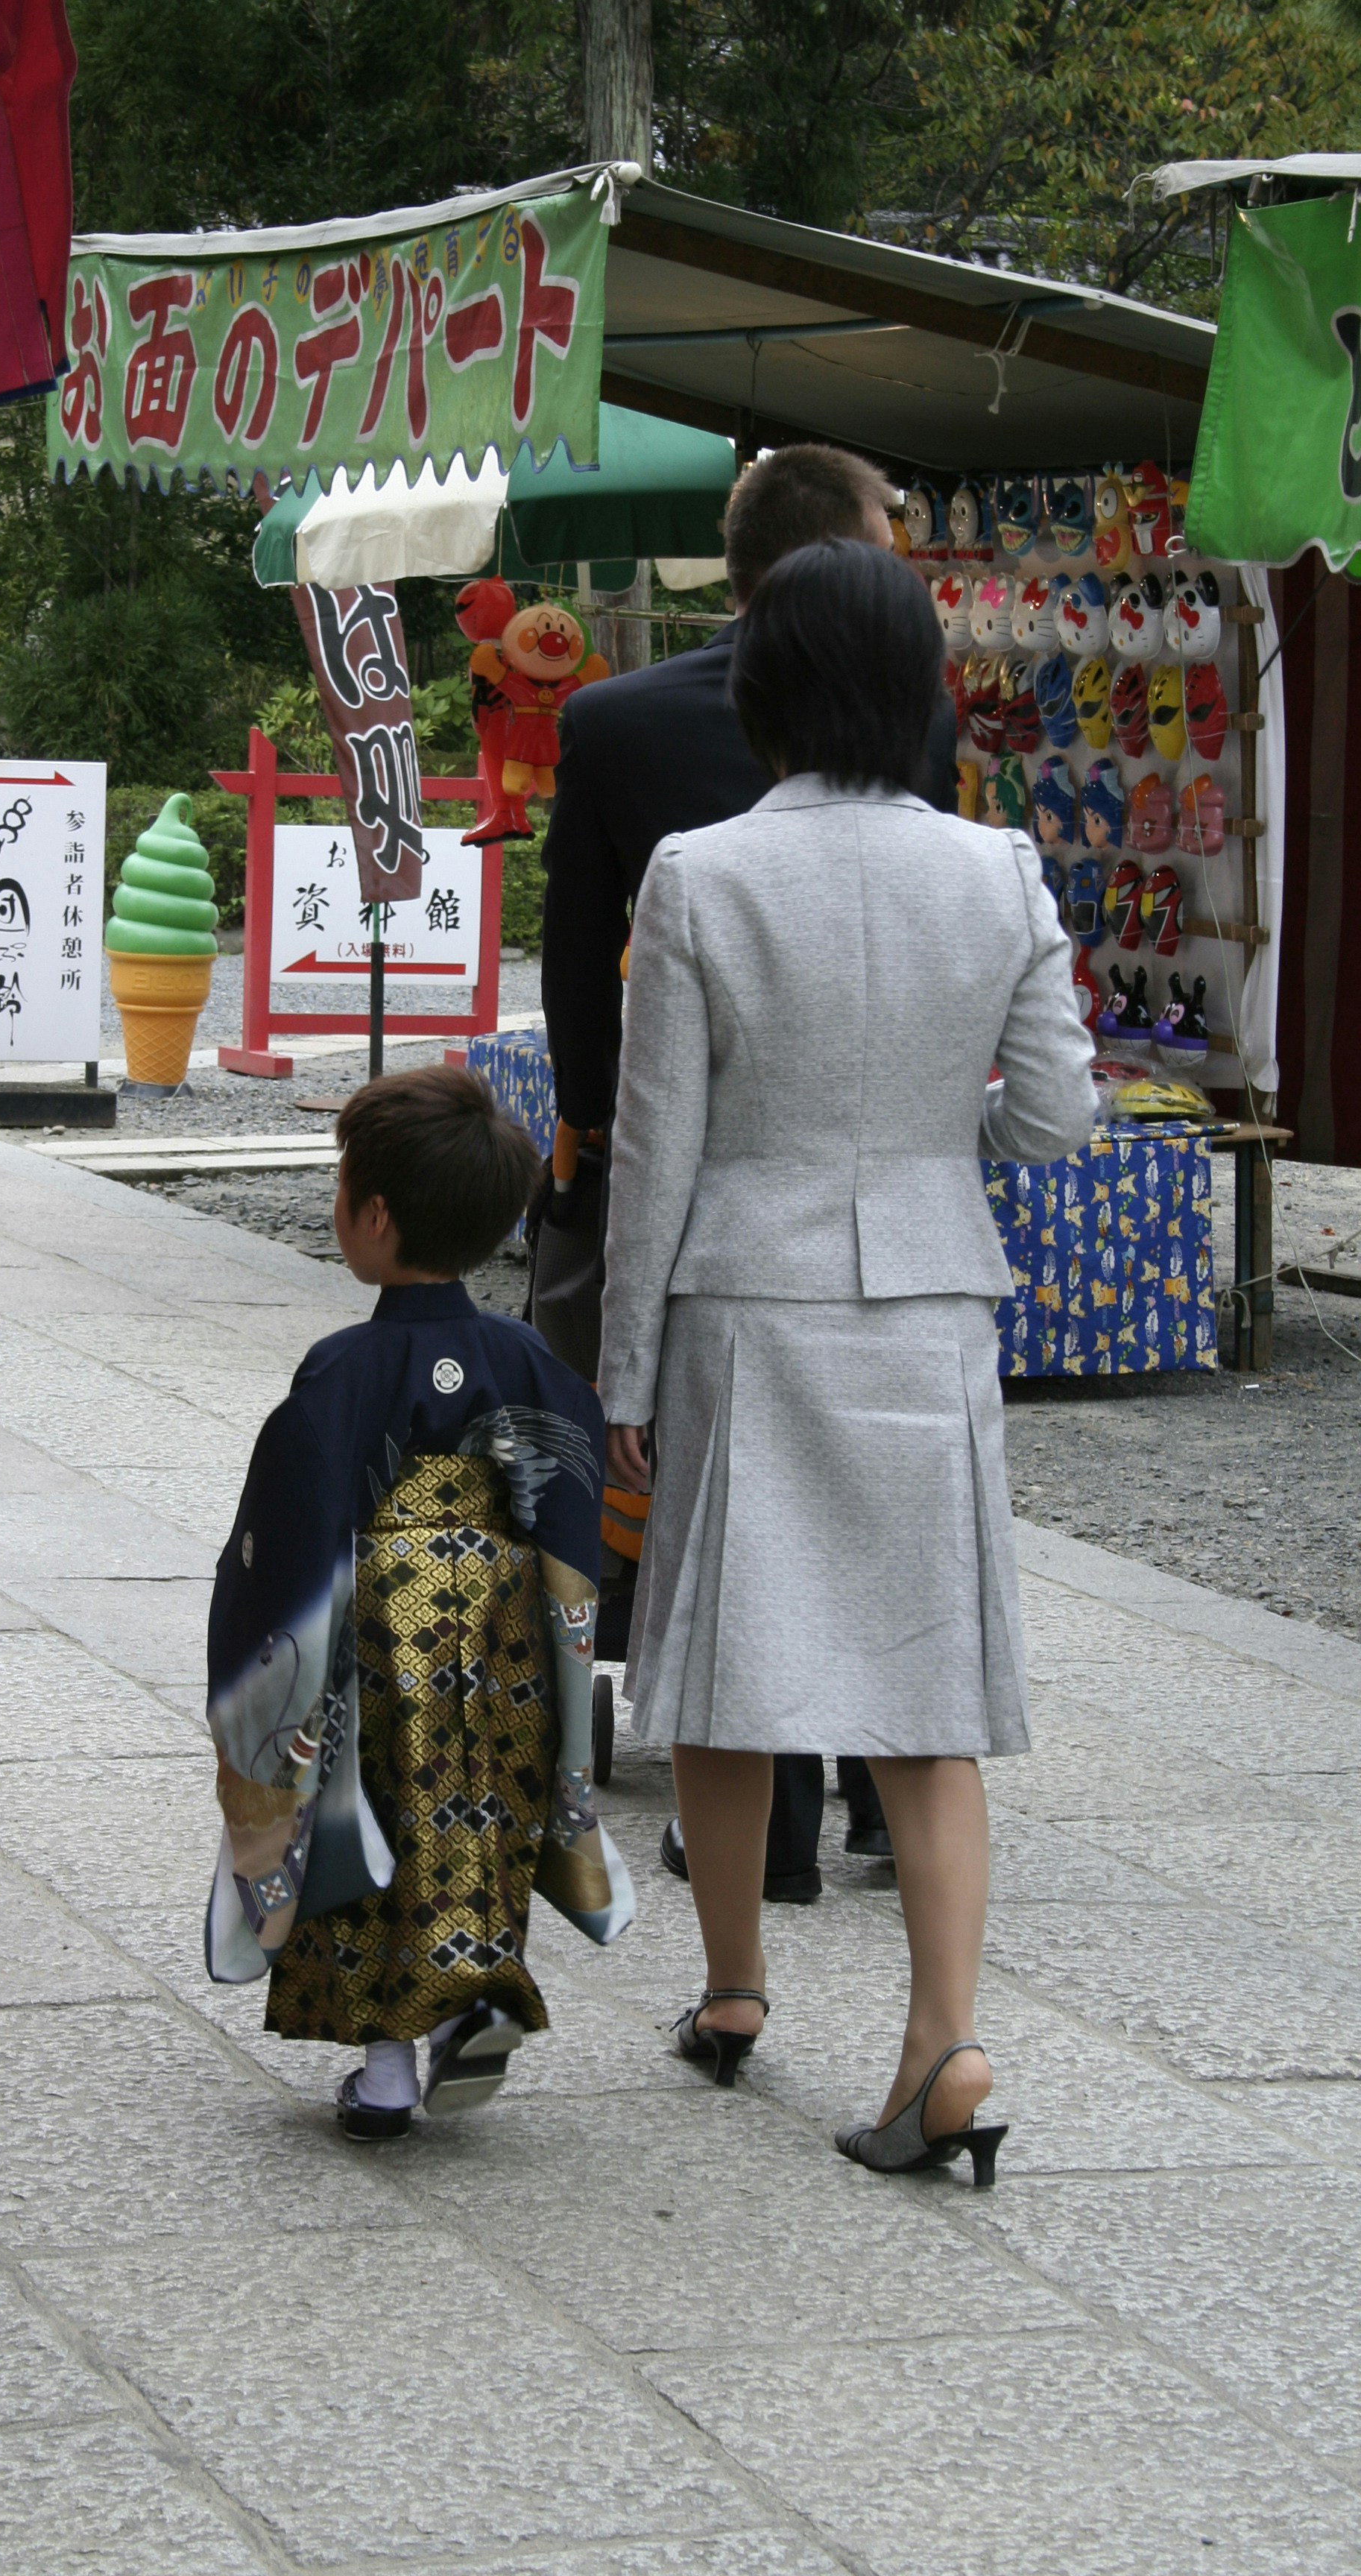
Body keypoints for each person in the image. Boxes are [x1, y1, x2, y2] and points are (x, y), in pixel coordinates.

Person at [599, 541, 1093, 2183]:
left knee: (732, 1656)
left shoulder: (701, 874)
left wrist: (621, 1375)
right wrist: (916, 1145)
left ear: (768, 685)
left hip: (744, 1301)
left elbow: (655, 1151)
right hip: (931, 1304)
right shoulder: (1002, 868)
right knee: (925, 1685)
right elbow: (1055, 1117)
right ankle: (945, 2045)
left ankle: (735, 1991)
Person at [540, 441, 942, 1888]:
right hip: (869, 1198)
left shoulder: (617, 723)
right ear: (838, 548)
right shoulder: (918, 734)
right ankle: (885, 1789)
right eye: (892, 525)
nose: (905, 546)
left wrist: (584, 1136)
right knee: (858, 1495)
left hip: (676, 1163)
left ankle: (744, 1829)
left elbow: (577, 961)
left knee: (702, 1487)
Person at [203, 1065, 633, 2142]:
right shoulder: (527, 1356)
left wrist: (265, 1669)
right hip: (504, 1629)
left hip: (372, 1639)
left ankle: (388, 2072)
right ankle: (473, 1997)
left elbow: (289, 1533)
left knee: (366, 1832)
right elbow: (573, 1504)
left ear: (375, 1217)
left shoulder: (342, 1368)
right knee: (477, 1818)